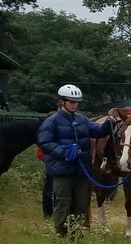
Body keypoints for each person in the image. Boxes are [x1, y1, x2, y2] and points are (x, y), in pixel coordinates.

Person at [36, 84, 115, 236]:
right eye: (71, 101)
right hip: (62, 171)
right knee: (63, 203)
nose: (74, 104)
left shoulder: (82, 119)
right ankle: (61, 235)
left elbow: (97, 131)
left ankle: (76, 235)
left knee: (81, 204)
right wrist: (64, 151)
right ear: (61, 102)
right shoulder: (52, 121)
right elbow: (44, 142)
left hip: (81, 171)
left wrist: (109, 123)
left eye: (76, 102)